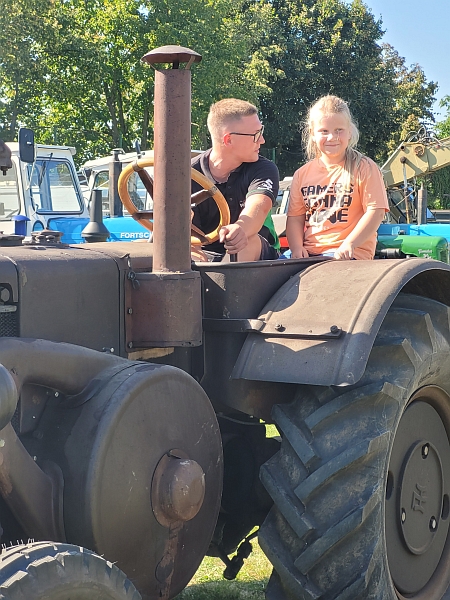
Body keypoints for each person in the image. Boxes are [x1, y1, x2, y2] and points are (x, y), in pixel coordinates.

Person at [286, 95, 389, 260]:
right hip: (310, 252)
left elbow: (376, 212)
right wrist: (297, 248)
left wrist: (350, 244)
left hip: (348, 253)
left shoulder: (365, 167)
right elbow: (295, 219)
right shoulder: (302, 174)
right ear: (312, 133)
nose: (332, 137)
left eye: (338, 130)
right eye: (324, 131)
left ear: (349, 132)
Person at [191, 98, 280, 262]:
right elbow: (189, 240)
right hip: (205, 253)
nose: (262, 140)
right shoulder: (188, 174)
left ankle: (224, 277)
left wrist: (241, 228)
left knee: (244, 243)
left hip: (259, 257)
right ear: (228, 140)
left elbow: (259, 206)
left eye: (261, 131)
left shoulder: (263, 168)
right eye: (256, 135)